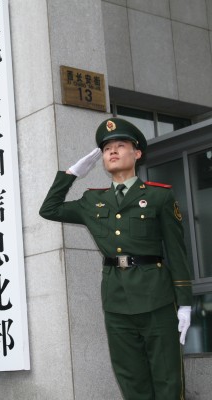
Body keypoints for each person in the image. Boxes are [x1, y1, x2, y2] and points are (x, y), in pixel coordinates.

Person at [39, 118, 193, 399]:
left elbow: (176, 251)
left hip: (156, 298)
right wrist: (72, 174)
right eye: (106, 148)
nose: (112, 151)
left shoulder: (158, 196)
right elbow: (49, 209)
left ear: (137, 153)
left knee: (167, 379)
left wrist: (184, 303)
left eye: (120, 145)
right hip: (116, 300)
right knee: (131, 380)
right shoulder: (92, 201)